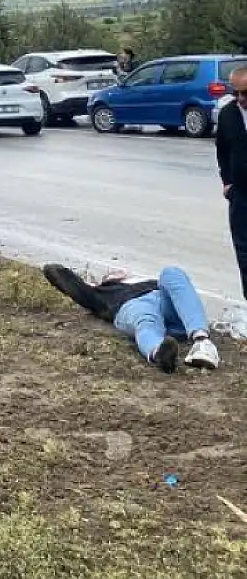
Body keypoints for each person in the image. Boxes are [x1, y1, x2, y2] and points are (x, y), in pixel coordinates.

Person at [42, 264, 220, 372]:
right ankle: (159, 352)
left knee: (171, 272)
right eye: (110, 273)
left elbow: (178, 289)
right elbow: (56, 273)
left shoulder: (148, 281)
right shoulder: (100, 293)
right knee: (145, 322)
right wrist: (92, 285)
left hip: (168, 305)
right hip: (131, 306)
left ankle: (202, 342)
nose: (115, 271)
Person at [217, 66, 247, 301]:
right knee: (244, 253)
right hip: (241, 196)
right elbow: (222, 150)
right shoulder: (228, 114)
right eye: (236, 92)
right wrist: (227, 182)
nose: (241, 99)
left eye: (246, 93)